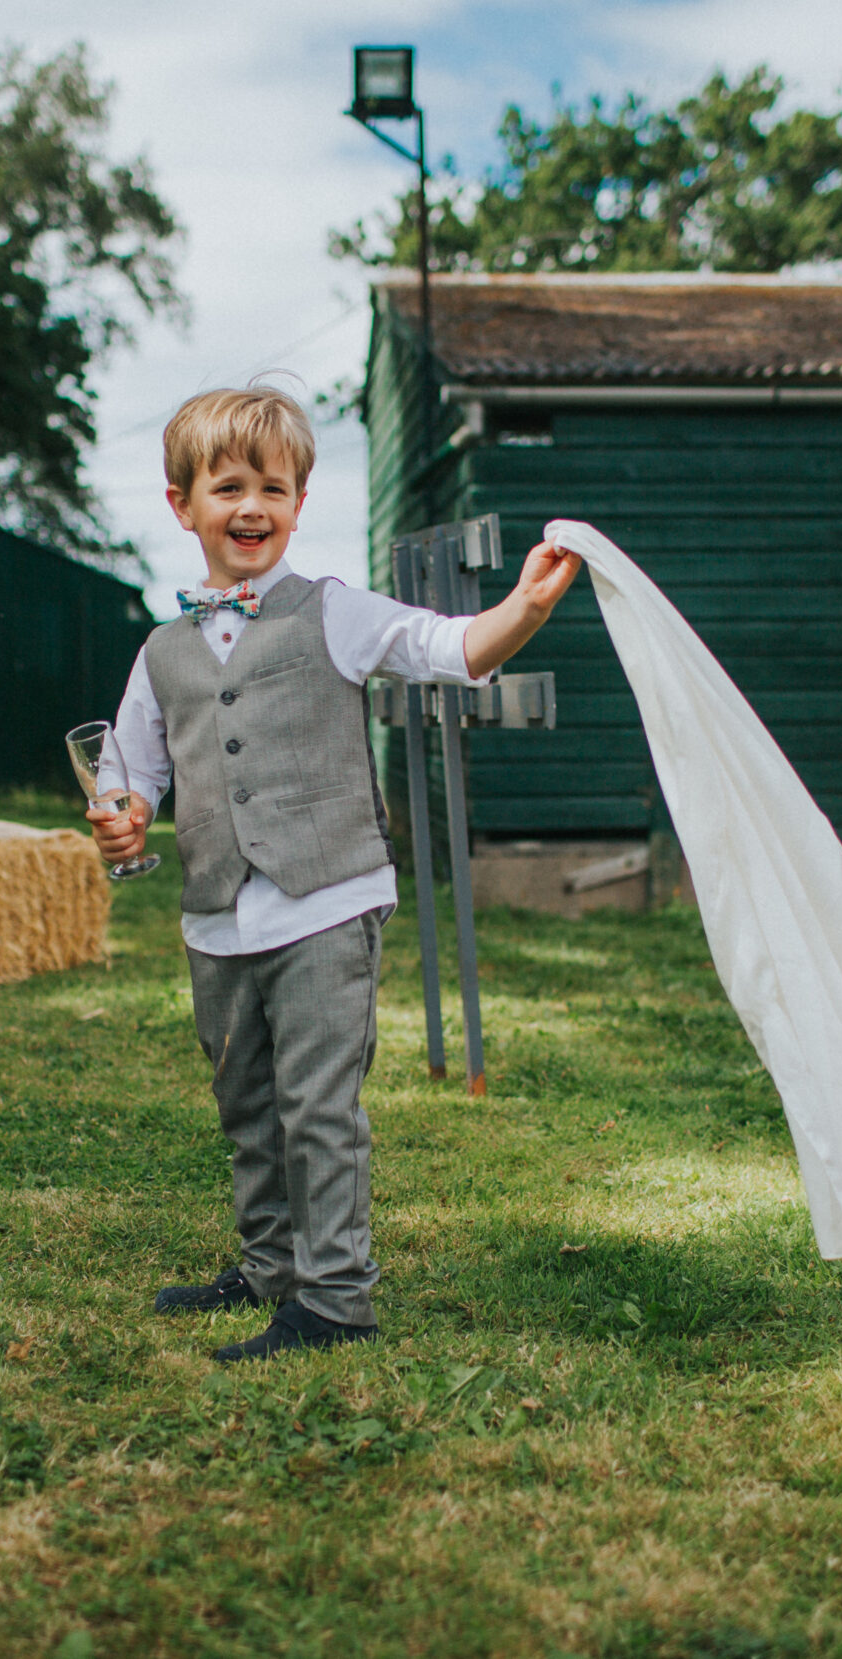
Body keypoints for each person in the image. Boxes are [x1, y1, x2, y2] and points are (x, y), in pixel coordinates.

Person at [88, 385, 580, 1362]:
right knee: (247, 1105)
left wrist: (519, 607)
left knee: (318, 1105)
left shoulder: (336, 615)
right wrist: (123, 817)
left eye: (273, 487)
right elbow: (130, 772)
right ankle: (269, 1265)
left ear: (299, 506)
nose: (252, 506)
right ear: (183, 505)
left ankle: (335, 1300)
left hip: (326, 903)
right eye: (227, 486)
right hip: (215, 919)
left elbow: (449, 649)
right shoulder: (161, 651)